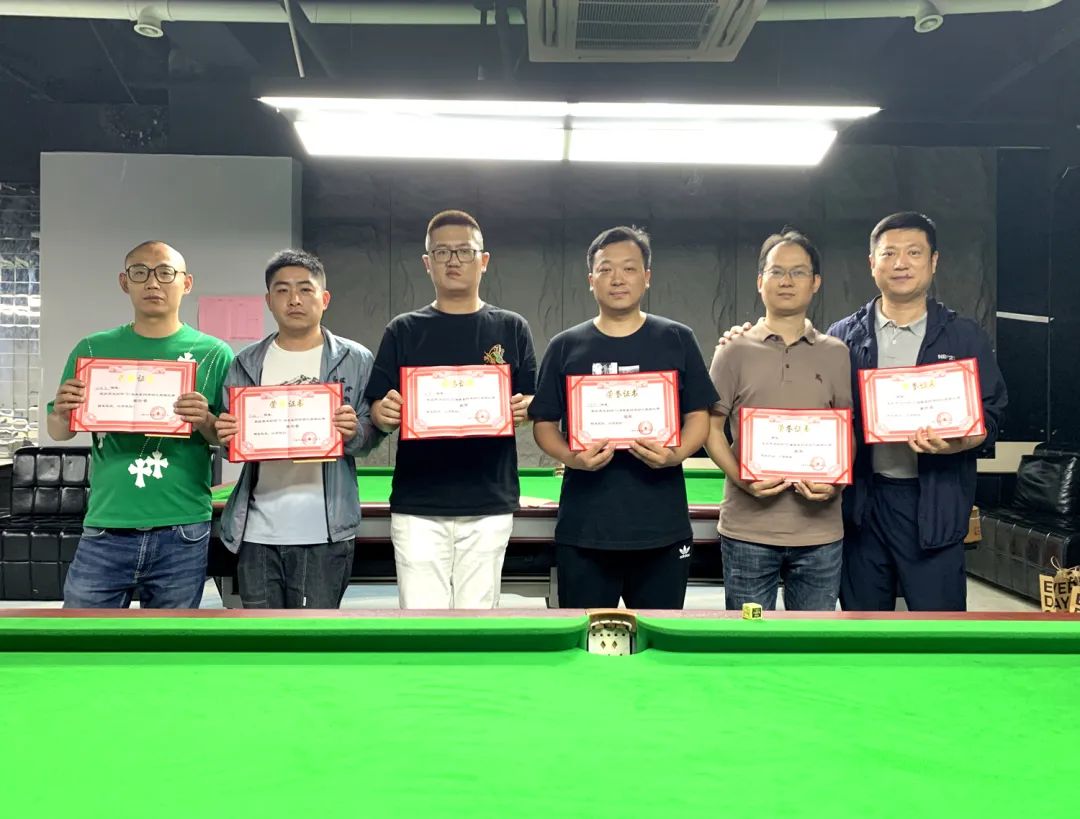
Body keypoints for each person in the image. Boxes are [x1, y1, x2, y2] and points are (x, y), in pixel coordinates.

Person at [529, 226, 718, 609]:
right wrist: (571, 458)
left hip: (662, 530)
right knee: (584, 639)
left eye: (629, 268)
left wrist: (676, 454)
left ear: (646, 277)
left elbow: (699, 416)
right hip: (585, 530)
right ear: (591, 280)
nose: (617, 279)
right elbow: (544, 424)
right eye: (606, 269)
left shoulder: (677, 338)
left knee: (657, 637)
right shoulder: (565, 346)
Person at [828, 212, 1007, 611]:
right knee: (864, 631)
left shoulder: (964, 337)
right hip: (862, 507)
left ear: (933, 261)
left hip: (936, 505)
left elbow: (991, 415)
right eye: (889, 253)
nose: (901, 263)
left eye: (913, 252)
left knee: (939, 630)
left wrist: (960, 442)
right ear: (872, 263)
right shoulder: (841, 337)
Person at [47, 240, 233, 608]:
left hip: (182, 526)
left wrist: (206, 420)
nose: (152, 283)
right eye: (140, 273)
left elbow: (229, 440)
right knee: (81, 637)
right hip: (106, 523)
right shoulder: (93, 349)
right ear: (124, 282)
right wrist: (61, 412)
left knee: (169, 641)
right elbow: (60, 430)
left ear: (186, 283)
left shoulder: (214, 353)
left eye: (165, 273)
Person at [365, 210, 537, 609]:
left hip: (489, 500)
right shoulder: (403, 329)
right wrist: (382, 413)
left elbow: (533, 401)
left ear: (484, 260)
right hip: (418, 504)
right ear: (427, 263)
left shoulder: (511, 327)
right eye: (442, 252)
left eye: (464, 251)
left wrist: (527, 407)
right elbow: (376, 407)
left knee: (479, 621)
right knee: (421, 621)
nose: (453, 260)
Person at [214, 250, 383, 608]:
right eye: (282, 290)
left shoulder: (355, 359)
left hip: (326, 532)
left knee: (314, 636)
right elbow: (229, 441)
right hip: (256, 532)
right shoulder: (246, 362)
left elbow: (371, 434)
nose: (294, 299)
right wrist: (225, 434)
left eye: (305, 289)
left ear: (324, 298)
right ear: (268, 301)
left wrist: (354, 431)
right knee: (261, 636)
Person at [706, 229, 852, 611]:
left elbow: (847, 432)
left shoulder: (837, 353)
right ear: (760, 282)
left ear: (816, 282)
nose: (787, 281)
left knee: (813, 642)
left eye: (798, 272)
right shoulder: (732, 350)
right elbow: (710, 429)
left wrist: (835, 484)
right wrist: (742, 479)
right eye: (776, 272)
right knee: (748, 641)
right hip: (747, 532)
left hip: (821, 534)